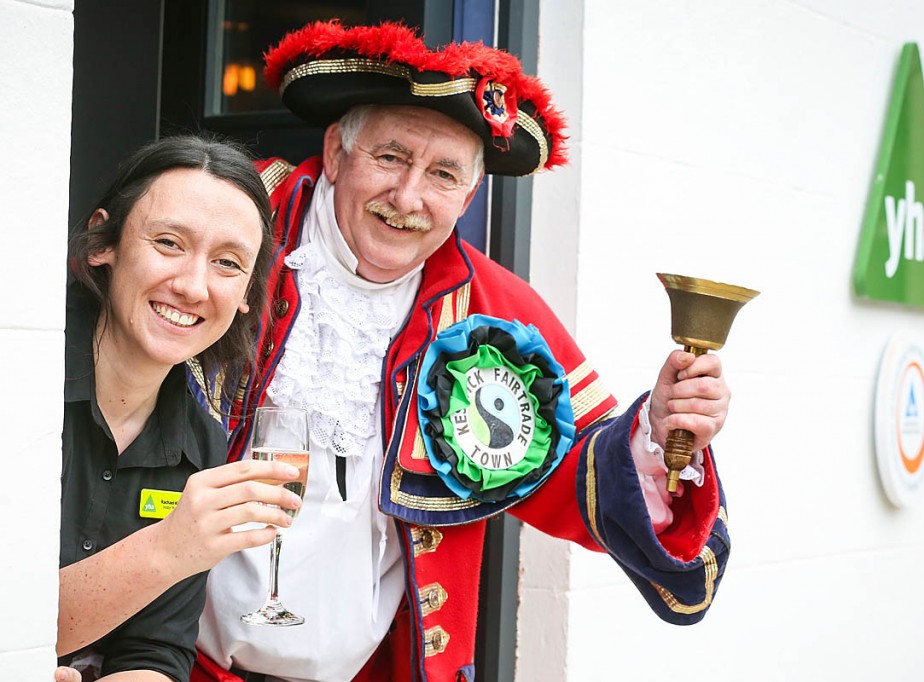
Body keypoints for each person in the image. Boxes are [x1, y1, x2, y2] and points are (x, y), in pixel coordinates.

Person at [192, 21, 732, 682]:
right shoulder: (232, 227)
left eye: (443, 174)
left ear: (469, 197)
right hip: (172, 662)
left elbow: (576, 472)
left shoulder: (495, 314)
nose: (409, 197)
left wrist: (661, 428)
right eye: (390, 157)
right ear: (336, 152)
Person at [57, 136, 307, 681]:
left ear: (247, 293)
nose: (194, 286)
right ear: (103, 243)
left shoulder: (202, 440)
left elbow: (155, 653)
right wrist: (169, 548)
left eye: (227, 262)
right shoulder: (22, 389)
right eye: (169, 243)